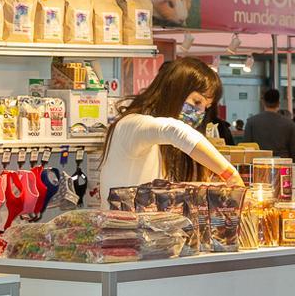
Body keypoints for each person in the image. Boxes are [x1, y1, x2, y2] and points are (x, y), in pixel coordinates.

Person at [98, 57, 243, 208]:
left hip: (150, 229)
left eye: (206, 107)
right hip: (120, 228)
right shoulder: (131, 126)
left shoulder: (166, 146)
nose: (200, 112)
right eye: (197, 102)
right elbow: (174, 131)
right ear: (173, 91)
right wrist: (230, 174)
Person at [241, 88, 295, 161]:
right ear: (278, 103)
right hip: (283, 167)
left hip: (258, 165)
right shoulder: (289, 124)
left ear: (263, 102)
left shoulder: (251, 122)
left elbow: (245, 148)